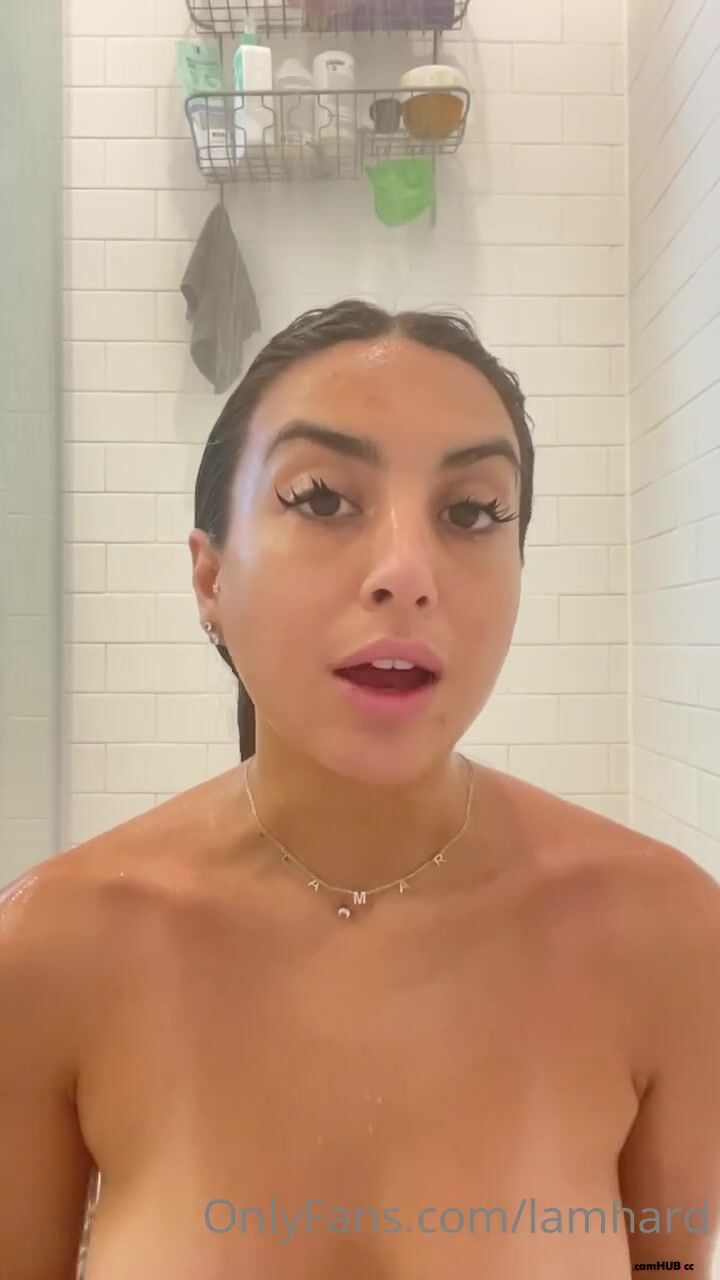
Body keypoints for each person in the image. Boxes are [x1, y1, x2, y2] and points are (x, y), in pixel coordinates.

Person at [1, 298, 719, 1280]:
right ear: (210, 578)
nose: (406, 572)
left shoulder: (670, 938)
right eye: (323, 499)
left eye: (471, 513)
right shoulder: (50, 950)